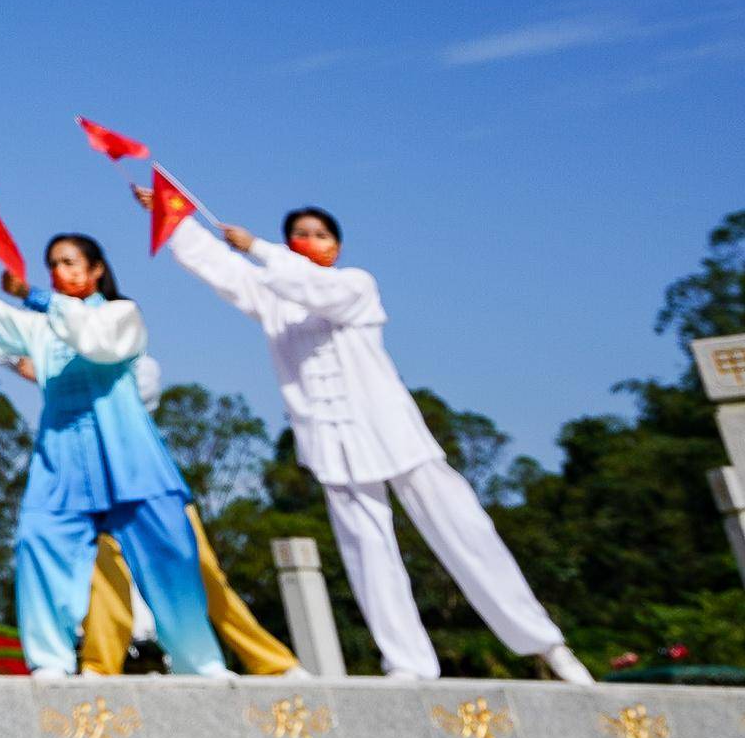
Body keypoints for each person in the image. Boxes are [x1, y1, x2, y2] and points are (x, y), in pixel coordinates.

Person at [163, 202, 590, 683]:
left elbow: (313, 288)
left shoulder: (355, 285)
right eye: (299, 235)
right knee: (367, 552)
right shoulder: (274, 297)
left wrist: (259, 248)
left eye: (319, 234)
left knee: (467, 534)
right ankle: (407, 661)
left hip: (393, 433)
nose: (309, 241)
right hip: (332, 442)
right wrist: (174, 219)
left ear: (336, 246)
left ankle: (547, 645)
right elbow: (222, 270)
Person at [0, 232, 228, 677]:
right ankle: (49, 660)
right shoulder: (43, 325)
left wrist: (37, 295)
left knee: (169, 556)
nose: (60, 272)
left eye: (69, 263)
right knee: (38, 542)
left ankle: (198, 661)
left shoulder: (123, 315)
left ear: (96, 269)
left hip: (126, 453)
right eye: (53, 265)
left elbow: (97, 341)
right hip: (62, 454)